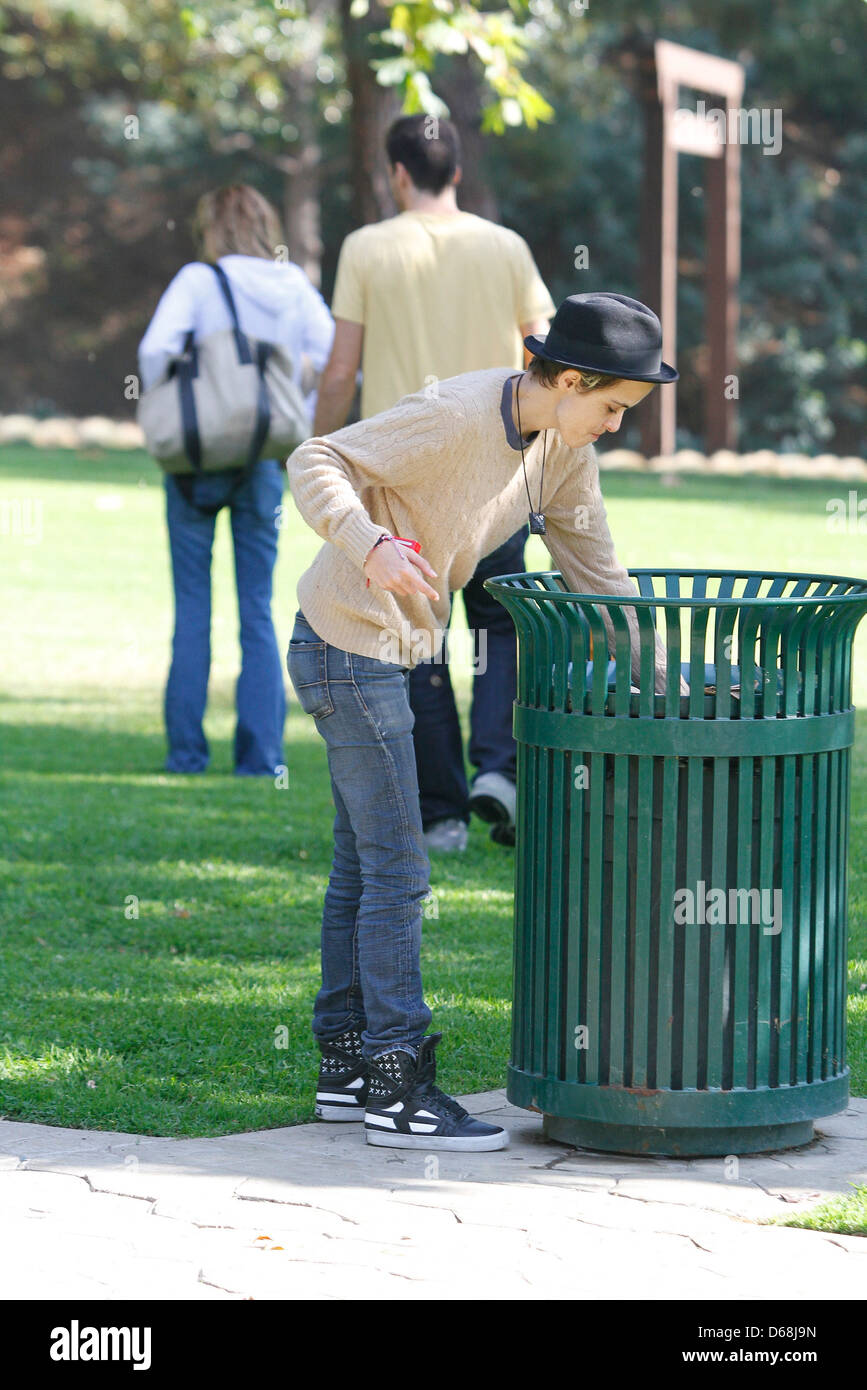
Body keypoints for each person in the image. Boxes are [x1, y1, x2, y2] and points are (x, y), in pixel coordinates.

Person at [286, 291, 680, 1151]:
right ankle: (397, 1084)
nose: (614, 425)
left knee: (362, 864)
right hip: (346, 645)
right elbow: (316, 456)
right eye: (611, 407)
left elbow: (592, 565)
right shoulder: (456, 413)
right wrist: (370, 545)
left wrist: (663, 679)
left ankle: (346, 1067)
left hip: (386, 651)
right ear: (568, 379)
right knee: (399, 867)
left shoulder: (560, 450)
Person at [313, 115, 554, 852]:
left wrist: (317, 443)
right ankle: (499, 769)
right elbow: (545, 348)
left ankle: (442, 811)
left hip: (405, 474)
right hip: (495, 467)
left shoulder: (365, 247)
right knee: (499, 621)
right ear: (455, 170)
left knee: (416, 636)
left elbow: (341, 368)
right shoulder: (504, 246)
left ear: (396, 173)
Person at [138, 186, 334, 775]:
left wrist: (180, 400)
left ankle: (187, 754)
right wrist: (286, 398)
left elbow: (154, 351)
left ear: (212, 227)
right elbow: (326, 354)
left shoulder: (199, 281)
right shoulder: (291, 284)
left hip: (195, 462)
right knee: (256, 607)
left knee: (192, 606)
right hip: (260, 462)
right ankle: (260, 757)